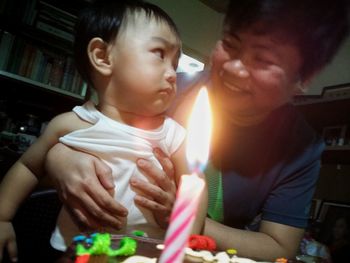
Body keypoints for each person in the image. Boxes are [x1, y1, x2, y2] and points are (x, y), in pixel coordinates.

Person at [45, 0, 350, 261]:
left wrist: (181, 216)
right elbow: (85, 127)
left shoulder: (302, 148)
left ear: (305, 76)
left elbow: (279, 246)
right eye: (230, 44)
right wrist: (60, 159)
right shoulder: (158, 90)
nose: (233, 68)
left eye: (264, 59)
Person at [0, 0, 209, 261]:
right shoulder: (72, 124)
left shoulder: (174, 136)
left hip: (147, 256)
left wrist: (188, 243)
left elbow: (196, 189)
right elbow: (28, 167)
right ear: (102, 56)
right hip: (75, 253)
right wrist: (2, 219)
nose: (172, 73)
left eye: (175, 62)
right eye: (159, 53)